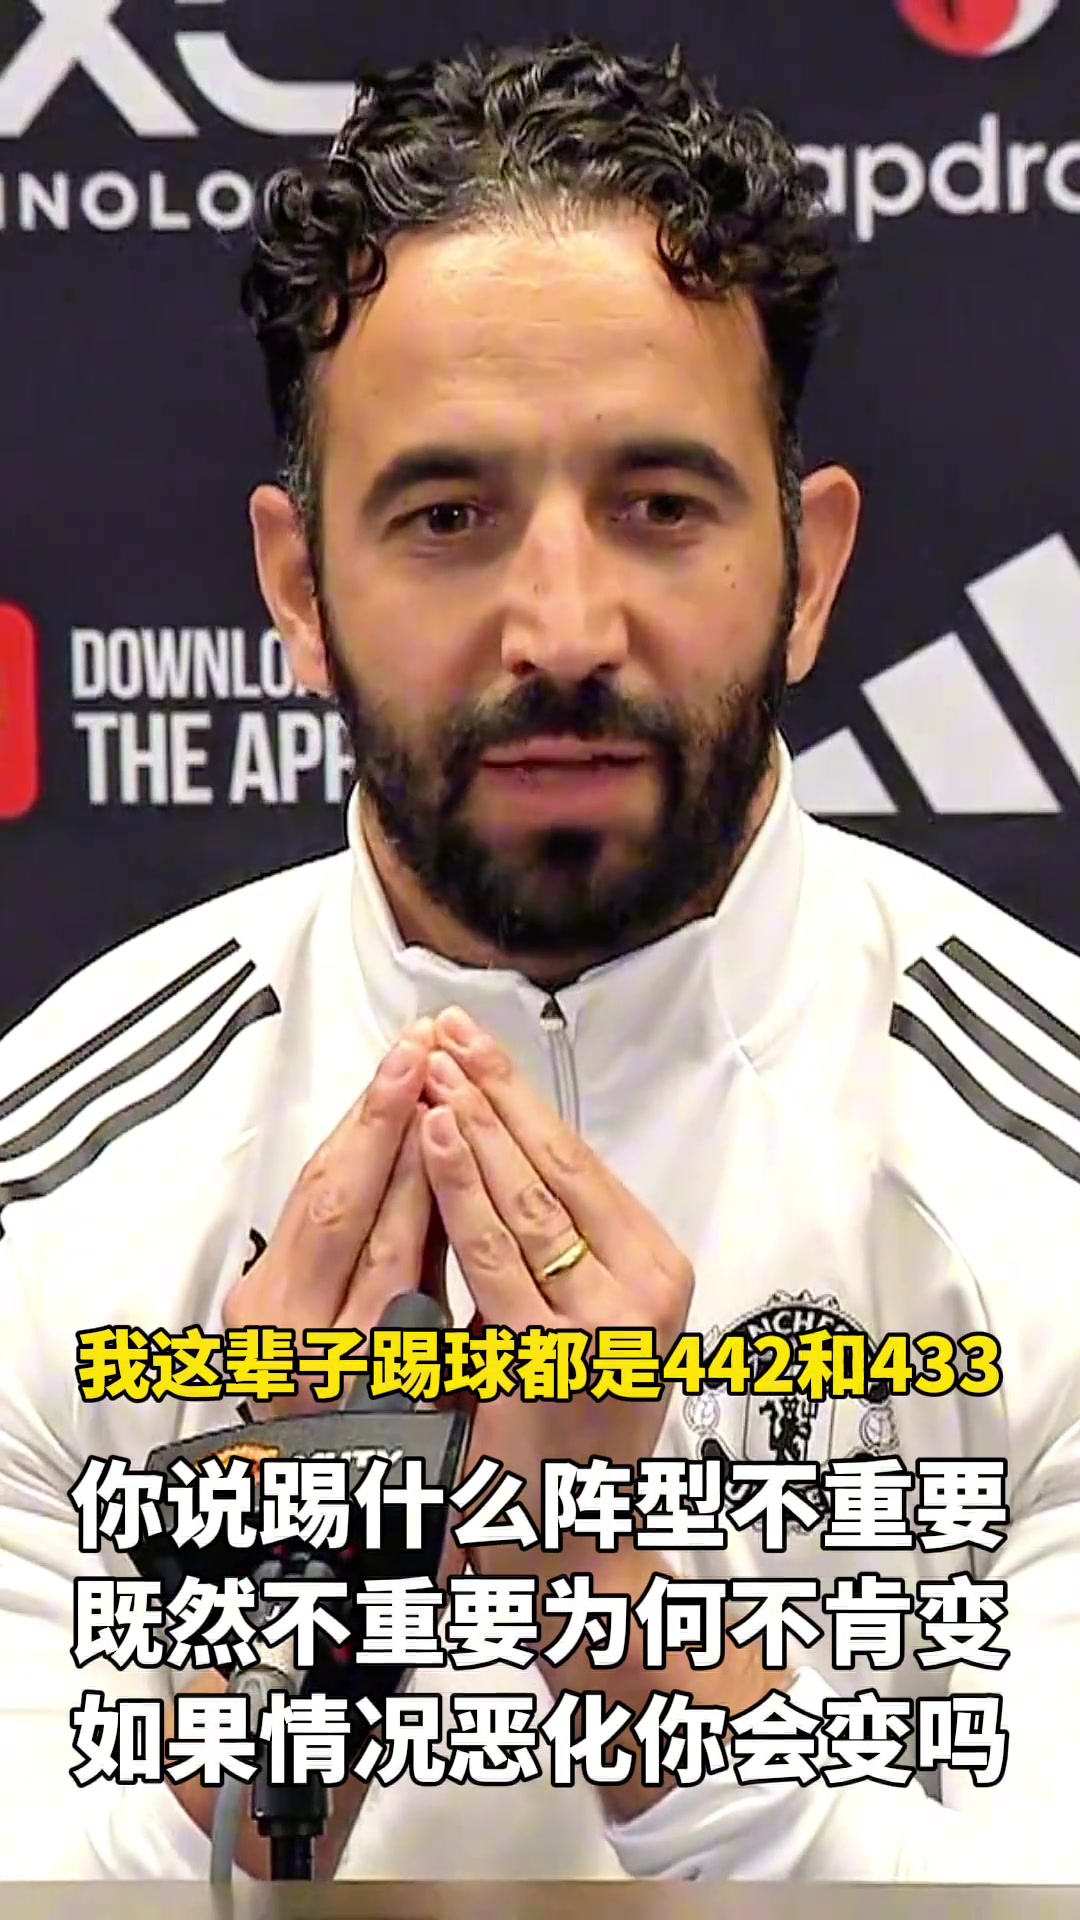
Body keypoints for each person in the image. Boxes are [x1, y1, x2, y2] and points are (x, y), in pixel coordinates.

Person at [0, 32, 1078, 1886]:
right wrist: (285, 1637)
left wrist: (618, 1618)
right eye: (448, 518)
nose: (563, 626)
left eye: (659, 506)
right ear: (298, 589)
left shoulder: (1047, 1172)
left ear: (811, 570)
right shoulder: (51, 1188)